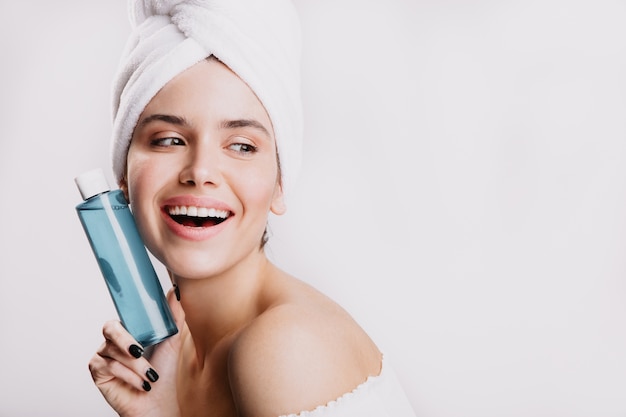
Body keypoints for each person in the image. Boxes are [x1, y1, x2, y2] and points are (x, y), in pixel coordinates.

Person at [88, 1, 417, 416]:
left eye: (242, 146)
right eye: (168, 139)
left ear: (280, 184)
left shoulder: (283, 347)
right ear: (123, 175)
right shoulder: (173, 346)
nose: (201, 171)